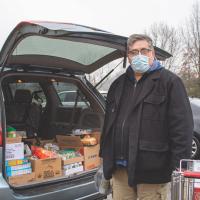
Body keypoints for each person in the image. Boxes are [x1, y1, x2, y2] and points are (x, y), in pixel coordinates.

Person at [99, 34, 193, 200]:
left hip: (153, 171)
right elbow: (109, 126)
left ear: (152, 53)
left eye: (144, 50)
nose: (139, 55)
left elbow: (182, 130)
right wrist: (104, 160)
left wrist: (179, 168)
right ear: (128, 56)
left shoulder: (170, 82)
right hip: (120, 171)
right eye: (134, 52)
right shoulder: (118, 85)